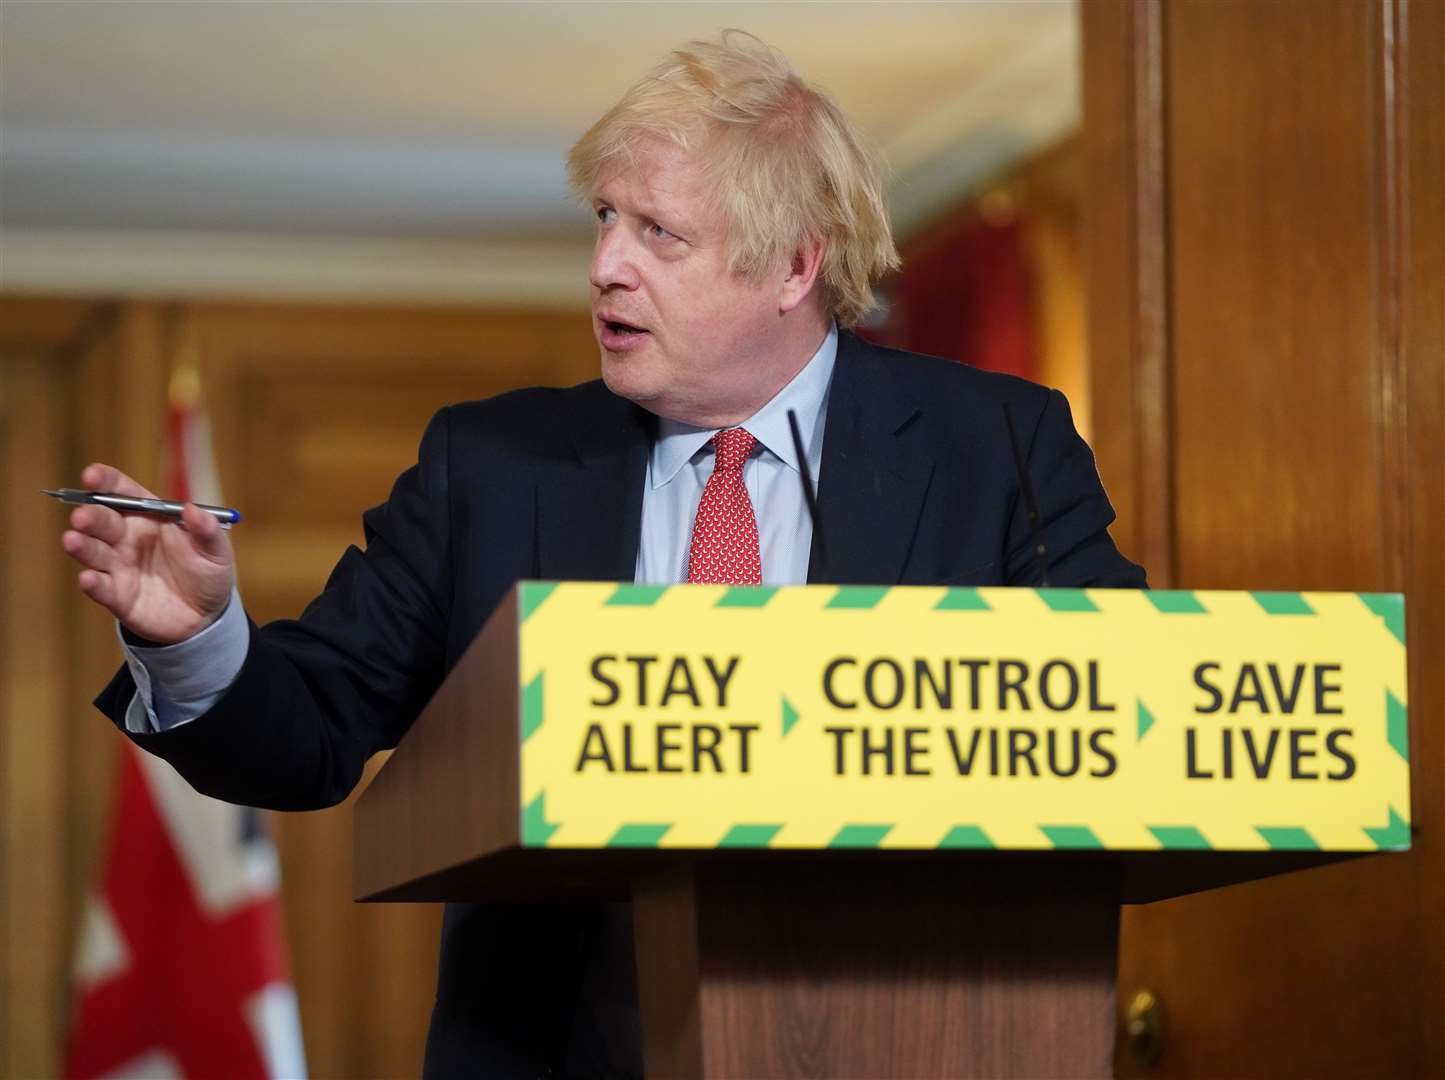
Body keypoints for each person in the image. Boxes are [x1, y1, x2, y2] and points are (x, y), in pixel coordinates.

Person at [61, 31, 1145, 1078]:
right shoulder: (491, 466)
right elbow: (310, 732)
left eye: (657, 234)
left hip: (915, 1043)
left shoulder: (995, 446)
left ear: (793, 265)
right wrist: (200, 637)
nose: (603, 268)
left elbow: (1132, 720)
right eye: (602, 220)